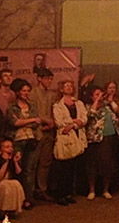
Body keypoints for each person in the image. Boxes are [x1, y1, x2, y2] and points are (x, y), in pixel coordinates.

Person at [6, 79, 41, 209]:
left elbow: (37, 122)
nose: (26, 93)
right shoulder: (12, 107)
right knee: (18, 169)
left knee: (29, 170)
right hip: (17, 140)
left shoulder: (32, 106)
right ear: (17, 92)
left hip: (31, 139)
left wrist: (23, 121)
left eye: (28, 91)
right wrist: (30, 120)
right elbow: (13, 123)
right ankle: (18, 198)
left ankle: (28, 198)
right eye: (24, 91)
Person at [51, 80, 87, 205]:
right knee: (64, 167)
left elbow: (84, 119)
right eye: (66, 86)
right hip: (65, 137)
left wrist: (72, 125)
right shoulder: (57, 105)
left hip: (77, 135)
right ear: (61, 89)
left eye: (71, 86)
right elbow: (59, 122)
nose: (69, 88)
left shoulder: (79, 103)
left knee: (73, 166)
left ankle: (69, 193)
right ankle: (61, 194)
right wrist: (74, 121)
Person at [85, 84, 119, 200]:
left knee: (108, 165)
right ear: (91, 97)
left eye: (101, 94)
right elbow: (91, 114)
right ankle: (92, 190)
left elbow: (117, 110)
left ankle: (106, 189)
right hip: (95, 139)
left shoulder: (107, 106)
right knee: (93, 165)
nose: (100, 96)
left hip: (109, 137)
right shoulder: (88, 106)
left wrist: (109, 100)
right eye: (96, 94)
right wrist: (97, 100)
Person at [29, 69, 58, 201]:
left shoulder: (52, 94)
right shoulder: (32, 93)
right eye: (47, 78)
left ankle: (42, 189)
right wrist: (46, 121)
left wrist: (53, 123)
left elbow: (55, 111)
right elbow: (31, 112)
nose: (49, 81)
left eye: (51, 78)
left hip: (49, 131)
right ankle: (31, 191)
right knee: (33, 162)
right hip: (36, 131)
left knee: (45, 162)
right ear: (39, 78)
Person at [0, 139, 25, 216]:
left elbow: (19, 175)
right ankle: (0, 211)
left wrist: (15, 162)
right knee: (4, 185)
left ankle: (13, 210)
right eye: (7, 147)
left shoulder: (12, 160)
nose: (10, 149)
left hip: (8, 188)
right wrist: (5, 162)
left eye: (11, 147)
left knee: (15, 183)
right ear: (0, 151)